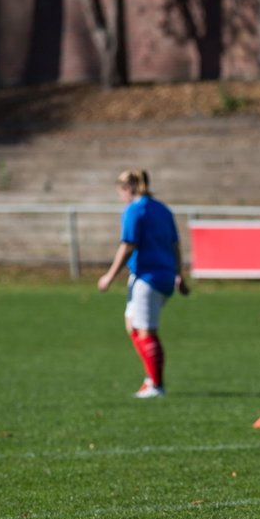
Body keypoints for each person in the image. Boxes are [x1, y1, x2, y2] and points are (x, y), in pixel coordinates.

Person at [98, 169, 190, 398]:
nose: (120, 196)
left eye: (120, 191)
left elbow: (128, 245)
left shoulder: (134, 210)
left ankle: (156, 385)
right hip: (164, 275)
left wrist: (110, 275)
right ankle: (151, 379)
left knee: (146, 330)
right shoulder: (163, 209)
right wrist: (178, 275)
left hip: (148, 277)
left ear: (128, 188)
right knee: (132, 325)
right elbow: (175, 245)